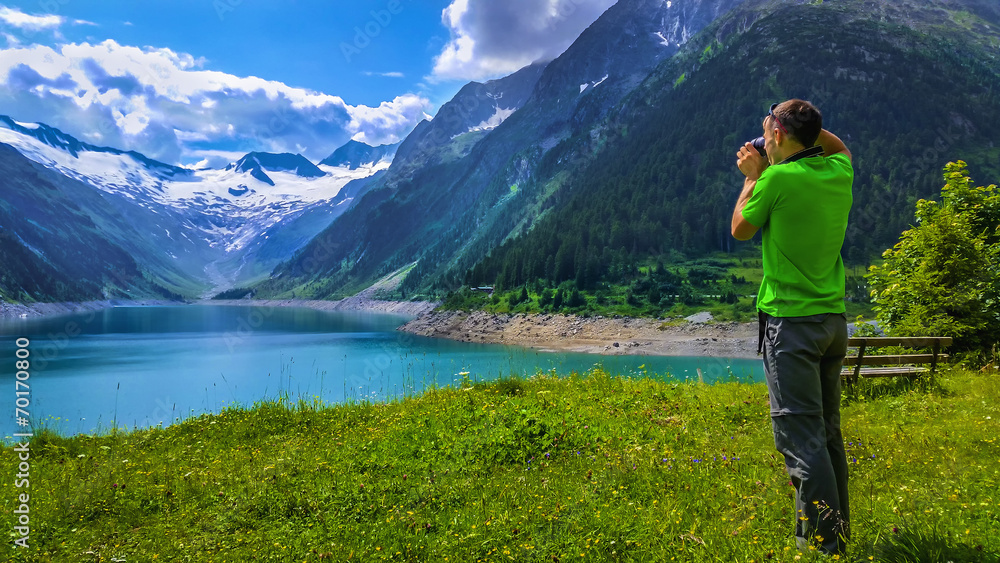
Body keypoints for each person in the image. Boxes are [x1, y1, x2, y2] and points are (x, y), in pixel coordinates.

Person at [730, 99, 854, 555]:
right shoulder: (839, 173)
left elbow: (740, 229)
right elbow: (838, 146)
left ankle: (825, 547)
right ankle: (836, 533)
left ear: (778, 135)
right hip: (832, 324)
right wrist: (794, 131)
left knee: (801, 441)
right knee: (826, 433)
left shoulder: (776, 180)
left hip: (791, 328)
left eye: (767, 132)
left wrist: (752, 175)